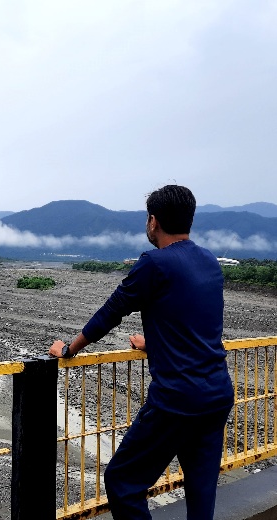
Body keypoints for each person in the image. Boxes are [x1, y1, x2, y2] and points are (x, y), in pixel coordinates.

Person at [49, 184, 234, 520]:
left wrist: (68, 349)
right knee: (201, 488)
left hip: (178, 399)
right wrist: (155, 342)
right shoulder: (209, 260)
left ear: (153, 222)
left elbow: (111, 312)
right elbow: (200, 323)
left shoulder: (154, 263)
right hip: (218, 393)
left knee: (122, 481)